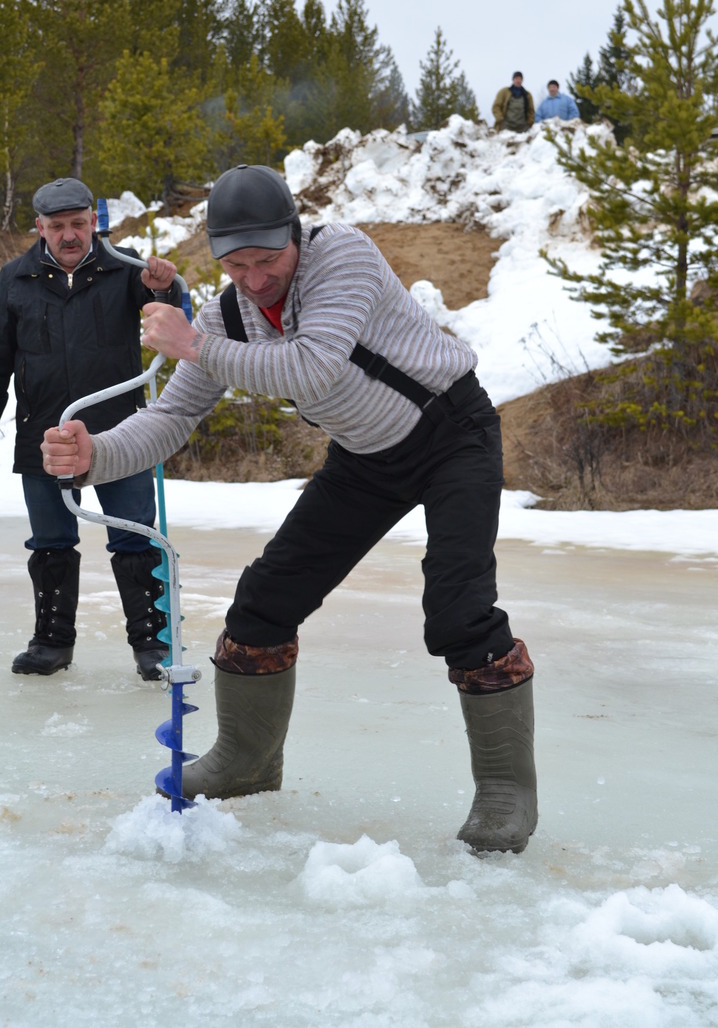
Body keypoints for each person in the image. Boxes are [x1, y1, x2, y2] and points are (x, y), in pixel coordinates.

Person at [41, 164, 539, 854]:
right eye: (235, 264)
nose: (252, 278)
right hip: (366, 458)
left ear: (294, 236)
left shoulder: (344, 257)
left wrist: (194, 344)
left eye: (267, 260)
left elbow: (313, 366)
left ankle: (506, 790)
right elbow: (171, 418)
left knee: (458, 604)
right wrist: (93, 452)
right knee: (263, 602)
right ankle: (248, 761)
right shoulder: (227, 315)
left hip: (452, 432)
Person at [0, 177, 180, 680]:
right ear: (39, 228)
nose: (69, 235)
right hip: (46, 439)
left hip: (119, 438)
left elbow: (169, 314)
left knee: (135, 537)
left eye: (78, 224)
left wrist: (165, 286)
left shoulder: (127, 270)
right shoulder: (13, 281)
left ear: (93, 222)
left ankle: (154, 644)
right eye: (57, 227)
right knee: (51, 543)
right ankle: (52, 643)